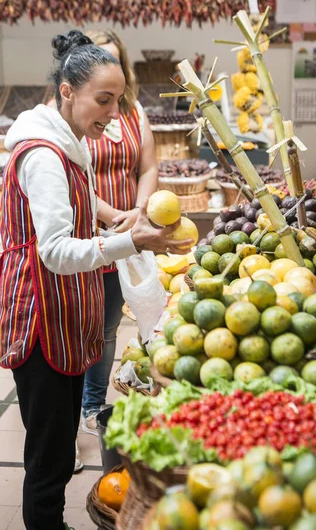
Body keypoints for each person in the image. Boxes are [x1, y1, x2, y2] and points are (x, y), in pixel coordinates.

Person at [0, 29, 190, 530]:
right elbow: (57, 251)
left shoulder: (69, 140)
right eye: (103, 100)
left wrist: (119, 218)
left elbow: (82, 194)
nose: (113, 113)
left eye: (118, 100)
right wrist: (136, 243)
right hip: (42, 312)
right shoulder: (43, 154)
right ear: (67, 90)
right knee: (49, 457)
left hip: (65, 305)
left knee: (60, 445)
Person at [79, 29, 159, 435]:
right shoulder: (66, 112)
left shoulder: (133, 111)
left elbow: (147, 168)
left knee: (109, 325)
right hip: (83, 232)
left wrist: (138, 212)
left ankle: (92, 406)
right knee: (77, 326)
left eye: (113, 61)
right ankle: (65, 412)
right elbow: (70, 178)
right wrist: (111, 216)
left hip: (124, 234)